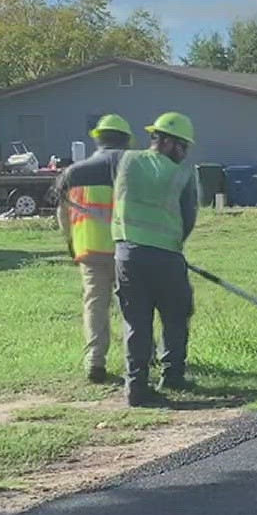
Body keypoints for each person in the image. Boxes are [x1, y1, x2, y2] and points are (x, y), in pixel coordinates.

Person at [59, 112, 201, 406]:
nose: (185, 152)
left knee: (136, 320)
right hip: (166, 256)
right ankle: (172, 375)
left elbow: (81, 174)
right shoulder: (184, 173)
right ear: (171, 143)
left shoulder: (123, 161)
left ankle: (136, 388)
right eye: (184, 146)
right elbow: (189, 217)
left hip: (127, 255)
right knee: (175, 315)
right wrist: (172, 244)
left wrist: (62, 181)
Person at [51, 114, 134, 384]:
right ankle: (140, 359)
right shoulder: (136, 170)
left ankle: (95, 360)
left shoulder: (73, 173)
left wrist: (70, 243)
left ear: (97, 139)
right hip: (129, 248)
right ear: (127, 139)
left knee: (95, 304)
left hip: (90, 249)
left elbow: (63, 216)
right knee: (134, 305)